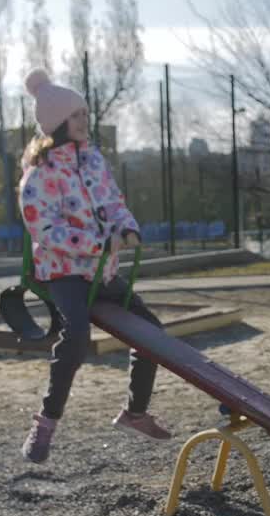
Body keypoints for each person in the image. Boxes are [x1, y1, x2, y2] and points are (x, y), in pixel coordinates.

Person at [17, 68, 173, 464]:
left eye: (85, 114)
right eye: (77, 116)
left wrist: (128, 228)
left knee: (152, 332)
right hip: (63, 272)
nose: (85, 121)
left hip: (100, 272)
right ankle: (46, 423)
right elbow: (46, 230)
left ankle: (135, 413)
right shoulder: (40, 175)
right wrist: (98, 243)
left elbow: (113, 203)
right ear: (57, 123)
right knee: (77, 336)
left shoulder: (92, 161)